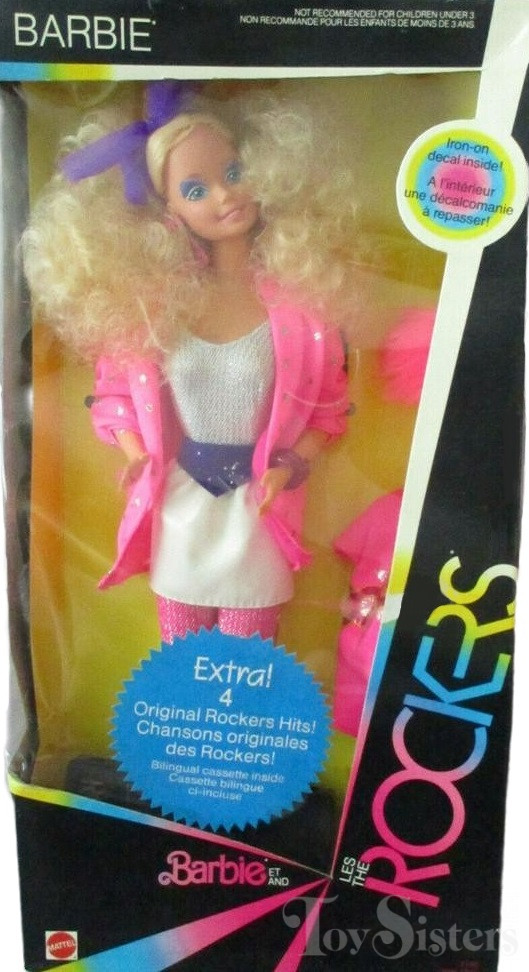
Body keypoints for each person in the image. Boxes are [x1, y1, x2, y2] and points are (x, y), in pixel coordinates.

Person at [23, 82, 354, 643]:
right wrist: (135, 455)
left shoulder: (301, 312)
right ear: (170, 209)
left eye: (234, 172)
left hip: (258, 506)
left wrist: (290, 465)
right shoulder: (156, 306)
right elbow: (116, 397)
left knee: (248, 657)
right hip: (182, 504)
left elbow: (329, 408)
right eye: (196, 189)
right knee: (179, 657)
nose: (225, 196)